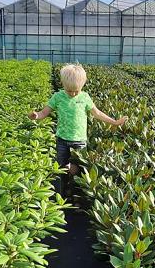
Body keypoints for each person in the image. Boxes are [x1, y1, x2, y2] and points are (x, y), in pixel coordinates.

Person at [28, 63, 128, 196]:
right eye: (70, 91)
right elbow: (44, 113)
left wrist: (115, 122)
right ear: (63, 84)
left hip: (80, 142)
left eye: (77, 90)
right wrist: (36, 116)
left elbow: (97, 113)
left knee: (80, 171)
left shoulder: (85, 97)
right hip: (62, 140)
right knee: (60, 170)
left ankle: (76, 196)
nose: (73, 93)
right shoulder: (58, 97)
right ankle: (60, 195)